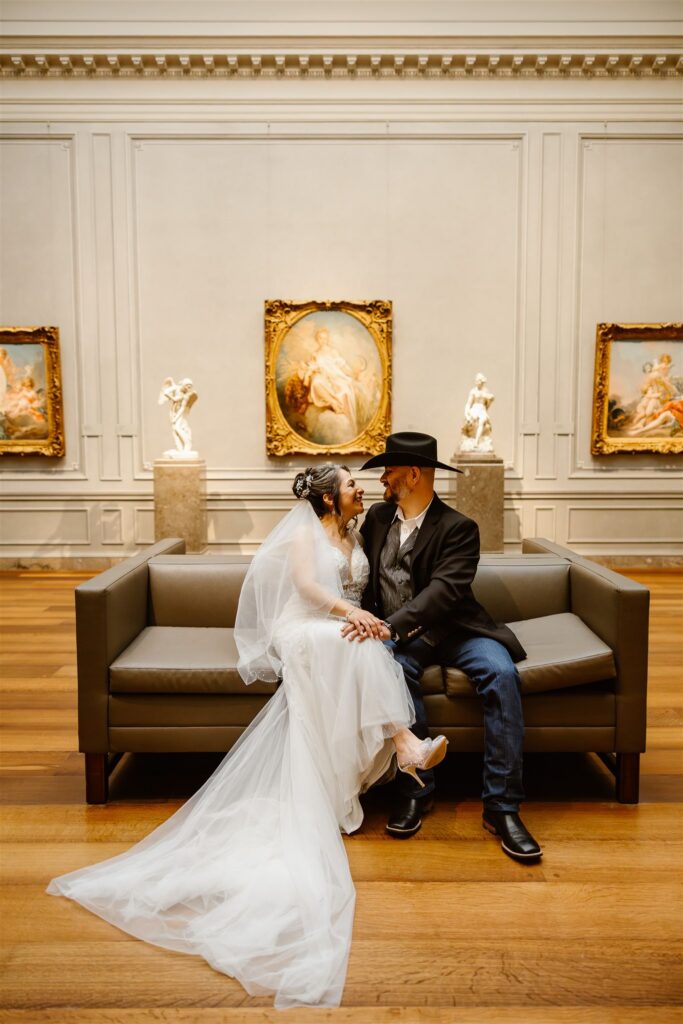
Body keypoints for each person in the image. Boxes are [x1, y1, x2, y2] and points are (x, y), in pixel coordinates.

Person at [47, 464, 447, 1009]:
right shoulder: (305, 534)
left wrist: (367, 617)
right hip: (301, 627)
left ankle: (401, 746)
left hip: (335, 626)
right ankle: (405, 744)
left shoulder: (357, 532)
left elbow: (369, 586)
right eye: (353, 485)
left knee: (361, 643)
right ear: (329, 499)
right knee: (355, 643)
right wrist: (353, 614)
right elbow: (306, 589)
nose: (362, 490)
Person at [343, 431, 542, 862]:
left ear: (413, 475)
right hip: (399, 640)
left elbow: (444, 593)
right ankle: (417, 790)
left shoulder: (458, 528)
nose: (381, 480)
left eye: (388, 471)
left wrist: (389, 629)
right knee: (395, 673)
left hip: (457, 632)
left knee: (502, 674)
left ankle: (502, 808)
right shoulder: (377, 519)